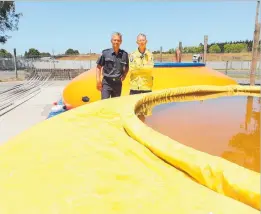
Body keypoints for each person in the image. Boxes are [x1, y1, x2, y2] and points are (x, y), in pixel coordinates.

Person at [96, 32, 129, 99]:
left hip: (117, 84)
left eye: (118, 40)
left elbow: (127, 66)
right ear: (111, 41)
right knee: (104, 103)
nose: (116, 42)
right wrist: (98, 81)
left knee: (115, 105)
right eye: (114, 40)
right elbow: (98, 67)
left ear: (121, 42)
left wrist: (124, 75)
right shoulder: (105, 53)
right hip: (106, 83)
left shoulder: (124, 54)